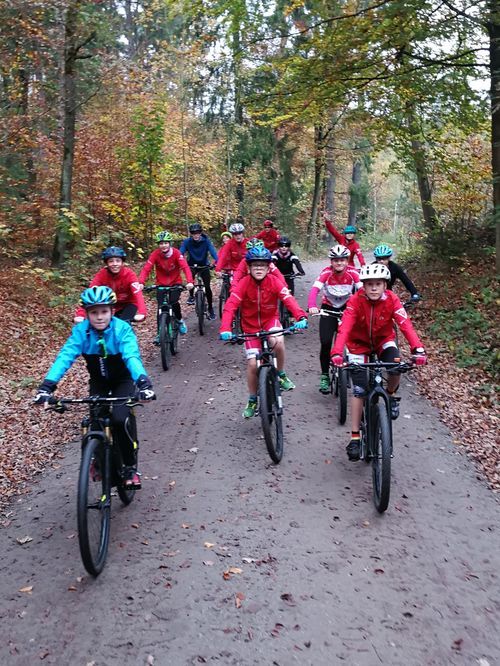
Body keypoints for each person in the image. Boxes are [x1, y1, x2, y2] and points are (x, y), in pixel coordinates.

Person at [35, 286, 156, 488]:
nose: (99, 317)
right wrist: (47, 387)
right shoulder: (81, 332)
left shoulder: (122, 329)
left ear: (112, 311)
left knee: (120, 419)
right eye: (94, 312)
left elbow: (131, 356)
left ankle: (129, 467)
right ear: (87, 314)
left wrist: (143, 383)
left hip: (123, 380)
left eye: (104, 311)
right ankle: (99, 460)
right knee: (96, 421)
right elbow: (65, 357)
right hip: (98, 381)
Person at [331, 264, 427, 461]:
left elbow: (405, 324)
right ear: (364, 286)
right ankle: (355, 437)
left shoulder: (392, 299)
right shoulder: (355, 301)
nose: (374, 288)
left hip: (384, 341)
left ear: (385, 285)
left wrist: (417, 349)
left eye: (378, 284)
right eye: (369, 284)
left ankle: (390, 396)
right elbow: (345, 327)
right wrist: (337, 352)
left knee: (396, 366)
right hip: (358, 345)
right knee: (359, 390)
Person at [219, 246, 308, 419]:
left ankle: (281, 374)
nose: (259, 268)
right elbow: (230, 306)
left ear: (268, 267)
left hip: (270, 321)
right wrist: (225, 329)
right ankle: (252, 399)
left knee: (278, 342)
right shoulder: (244, 283)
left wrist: (300, 316)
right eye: (255, 265)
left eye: (262, 265)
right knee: (253, 364)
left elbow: (288, 299)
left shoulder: (274, 281)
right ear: (249, 267)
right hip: (250, 327)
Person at [308, 244, 362, 394]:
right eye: (336, 260)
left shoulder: (353, 272)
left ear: (347, 260)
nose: (339, 263)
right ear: (331, 262)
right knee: (326, 342)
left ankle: (349, 370)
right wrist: (312, 305)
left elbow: (362, 290)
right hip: (328, 308)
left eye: (342, 260)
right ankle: (325, 375)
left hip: (347, 309)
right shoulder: (326, 273)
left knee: (350, 342)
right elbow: (314, 290)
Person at [139, 231, 194, 336]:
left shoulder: (176, 253)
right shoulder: (155, 254)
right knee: (160, 307)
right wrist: (141, 282)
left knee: (174, 302)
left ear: (170, 243)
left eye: (166, 243)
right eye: (161, 243)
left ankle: (179, 320)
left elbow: (185, 268)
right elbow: (146, 268)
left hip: (175, 283)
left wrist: (190, 282)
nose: (163, 245)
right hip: (161, 284)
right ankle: (159, 333)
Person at [74, 246, 147, 324]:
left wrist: (142, 312)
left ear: (122, 263)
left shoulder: (129, 274)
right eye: (111, 261)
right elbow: (90, 293)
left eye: (118, 261)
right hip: (110, 304)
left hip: (129, 304)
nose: (115, 264)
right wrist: (80, 314)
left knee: (123, 325)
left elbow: (137, 293)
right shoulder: (102, 275)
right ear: (107, 263)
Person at [180, 222, 218, 319]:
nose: (196, 235)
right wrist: (179, 261)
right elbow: (181, 253)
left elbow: (213, 252)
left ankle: (210, 308)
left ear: (200, 233)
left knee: (207, 287)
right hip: (191, 265)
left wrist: (217, 261)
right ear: (191, 234)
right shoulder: (187, 242)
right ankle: (191, 296)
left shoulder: (206, 241)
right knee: (190, 281)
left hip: (204, 265)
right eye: (193, 233)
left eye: (197, 232)